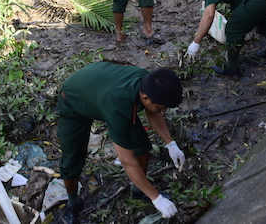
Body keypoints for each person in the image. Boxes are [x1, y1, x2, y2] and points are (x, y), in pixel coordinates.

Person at [57, 62, 185, 223]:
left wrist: (170, 144)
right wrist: (157, 198)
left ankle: (139, 190)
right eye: (161, 108)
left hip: (100, 90)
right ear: (145, 98)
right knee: (72, 157)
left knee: (141, 143)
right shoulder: (118, 106)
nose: (163, 112)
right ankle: (73, 202)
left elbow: (154, 111)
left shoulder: (147, 82)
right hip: (74, 102)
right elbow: (126, 160)